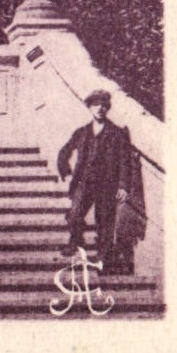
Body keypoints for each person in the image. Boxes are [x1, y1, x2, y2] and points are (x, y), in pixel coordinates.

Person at [57, 89, 133, 273]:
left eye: (103, 105)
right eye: (95, 105)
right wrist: (65, 170)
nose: (99, 108)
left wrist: (123, 185)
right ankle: (75, 241)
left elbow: (125, 161)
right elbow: (64, 151)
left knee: (105, 222)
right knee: (74, 214)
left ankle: (102, 259)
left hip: (107, 185)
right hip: (84, 182)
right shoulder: (82, 132)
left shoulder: (116, 133)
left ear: (107, 108)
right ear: (90, 108)